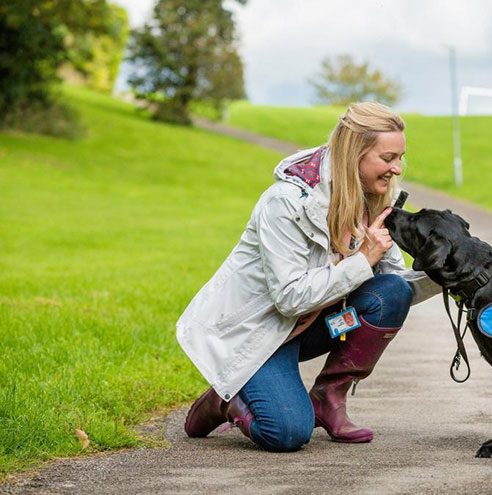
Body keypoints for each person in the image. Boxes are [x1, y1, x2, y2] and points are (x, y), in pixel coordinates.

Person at [177, 102, 440, 452]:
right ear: (355, 153)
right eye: (388, 157)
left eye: (400, 158)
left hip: (320, 325)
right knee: (286, 433)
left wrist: (443, 275)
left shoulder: (372, 199)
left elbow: (395, 287)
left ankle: (327, 399)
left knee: (390, 292)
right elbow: (289, 298)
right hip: (260, 335)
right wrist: (363, 259)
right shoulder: (286, 202)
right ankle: (225, 400)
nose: (396, 169)